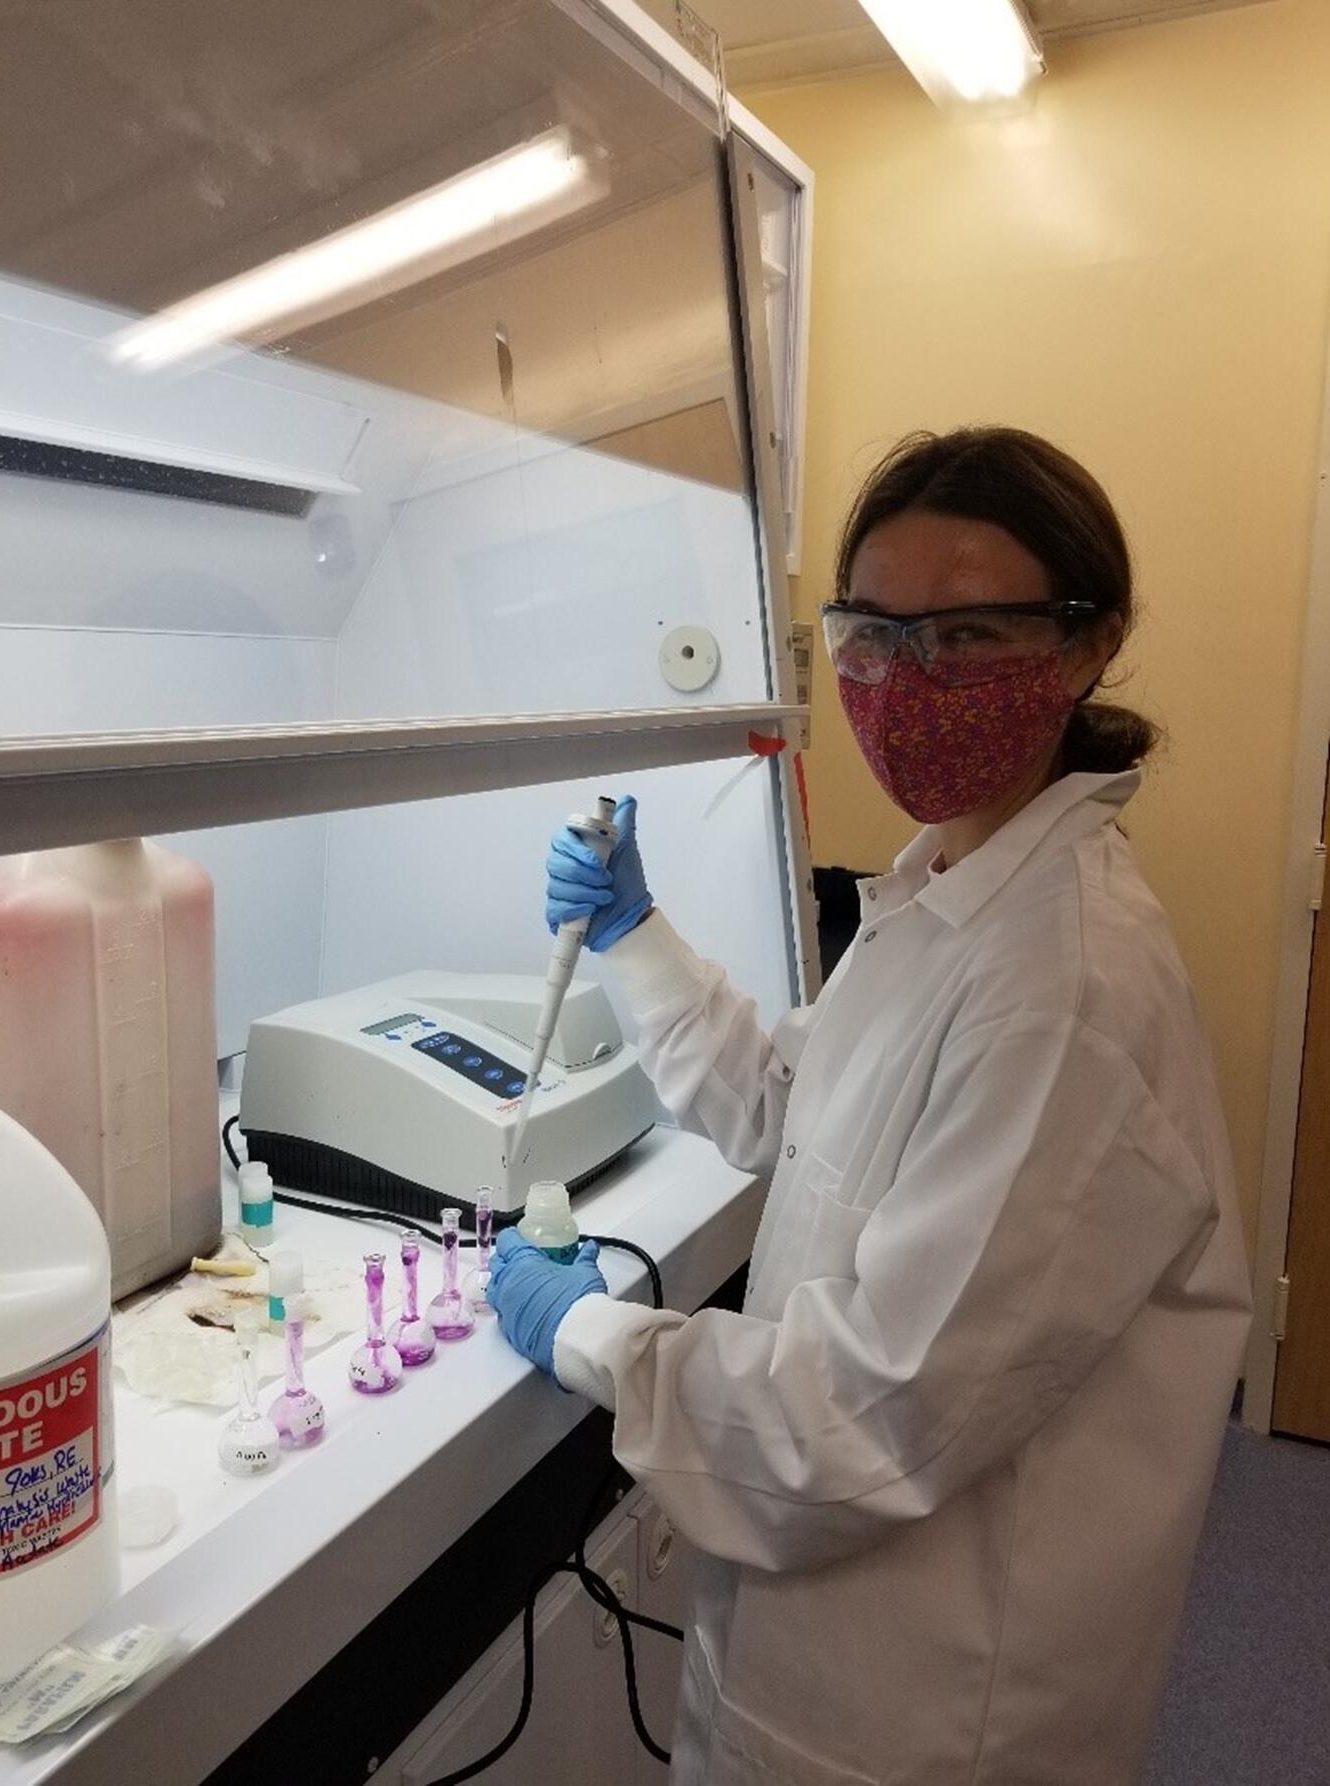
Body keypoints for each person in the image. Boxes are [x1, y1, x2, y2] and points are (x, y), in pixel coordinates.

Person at [488, 427, 1252, 1786]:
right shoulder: (958, 888)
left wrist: (597, 1333)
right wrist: (638, 934)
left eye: (966, 636)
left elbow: (865, 1409)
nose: (906, 682)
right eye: (873, 632)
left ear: (1086, 645)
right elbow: (806, 1117)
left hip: (938, 1707)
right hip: (839, 1652)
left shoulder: (1063, 985)